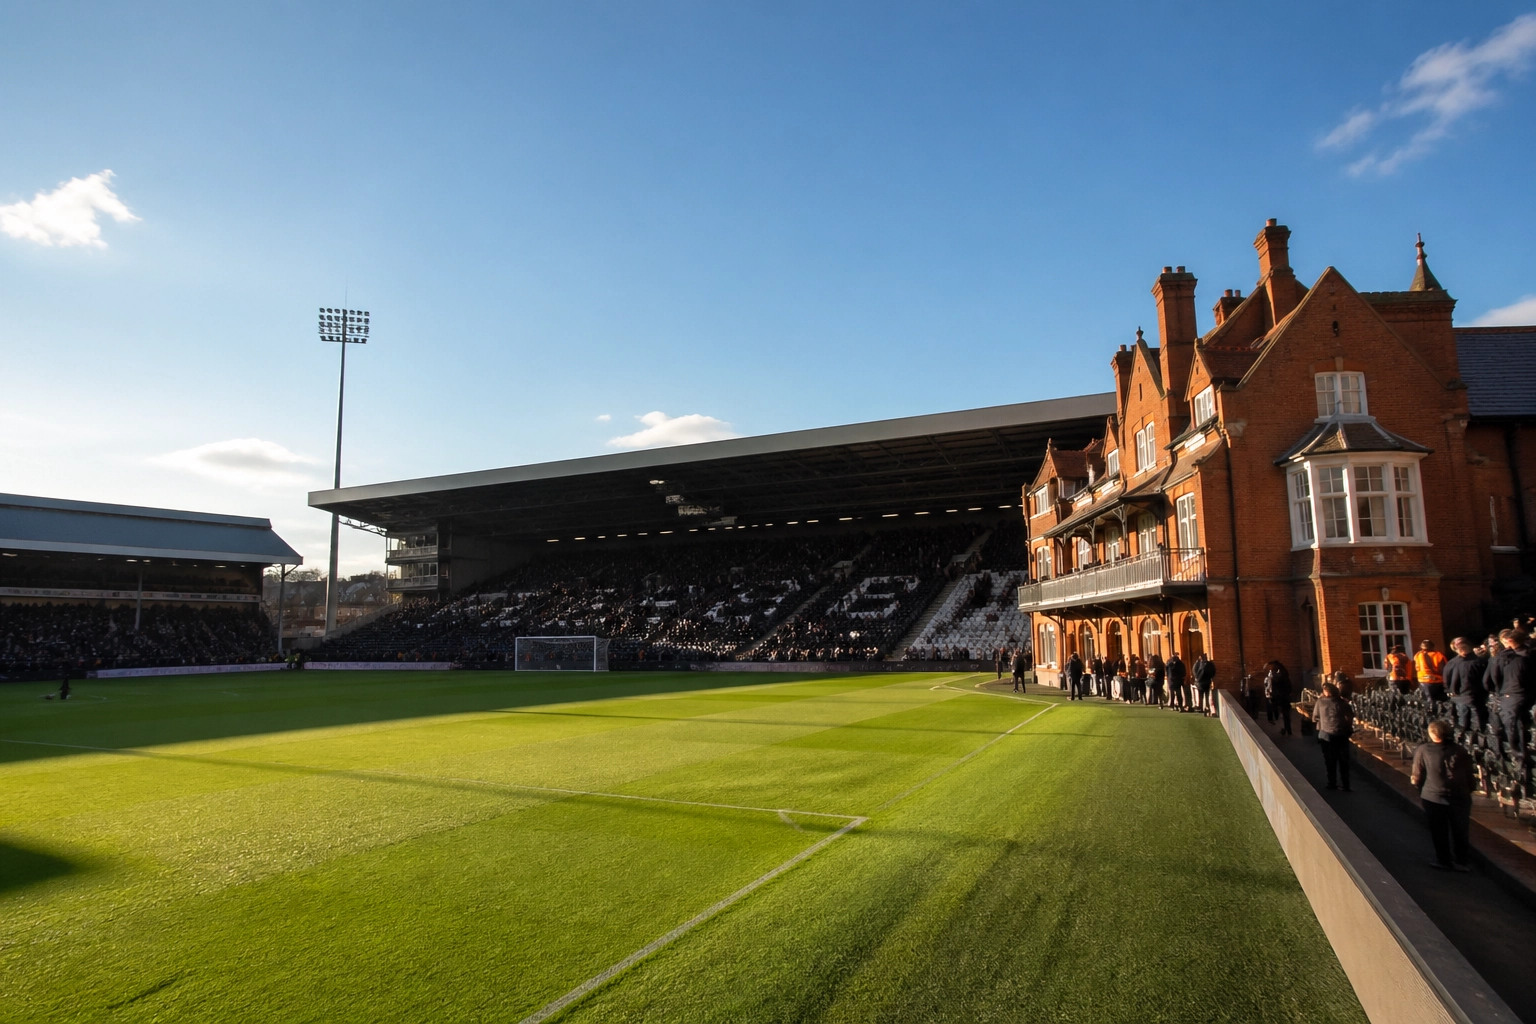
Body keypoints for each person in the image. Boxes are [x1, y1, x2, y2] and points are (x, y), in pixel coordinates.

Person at [1410, 719, 1475, 871]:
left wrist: (1420, 790)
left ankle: (1444, 860)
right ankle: (1461, 861)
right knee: (1460, 830)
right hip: (1460, 796)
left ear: (1432, 734)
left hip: (1433, 796)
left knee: (1439, 830)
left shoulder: (1423, 750)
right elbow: (1469, 775)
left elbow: (1417, 775)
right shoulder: (1460, 750)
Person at [1486, 628, 1534, 754]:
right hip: (1525, 694)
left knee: (1513, 725)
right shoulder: (1528, 655)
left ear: (1510, 641)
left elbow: (1490, 680)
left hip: (1511, 695)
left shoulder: (1504, 659)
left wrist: (1499, 690)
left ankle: (1517, 751)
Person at [1312, 681, 1353, 791]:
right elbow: (1350, 718)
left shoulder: (1320, 702)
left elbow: (1314, 717)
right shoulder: (1343, 703)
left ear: (1326, 692)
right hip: (1341, 734)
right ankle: (1346, 784)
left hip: (1326, 735)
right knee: (1343, 761)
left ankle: (1332, 783)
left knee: (1330, 761)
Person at [1443, 637, 1488, 733]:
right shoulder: (1479, 661)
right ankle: (1479, 734)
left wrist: (1449, 691)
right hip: (1476, 695)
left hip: (1459, 695)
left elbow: (1446, 680)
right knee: (1479, 719)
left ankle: (1464, 736)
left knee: (1463, 718)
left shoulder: (1451, 663)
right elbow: (1486, 679)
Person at [1265, 660, 1293, 736]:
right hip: (1284, 696)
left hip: (1280, 697)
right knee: (1285, 715)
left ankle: (1285, 729)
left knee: (1282, 713)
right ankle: (1287, 730)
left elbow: (1277, 681)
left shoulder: (1278, 674)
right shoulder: (1283, 673)